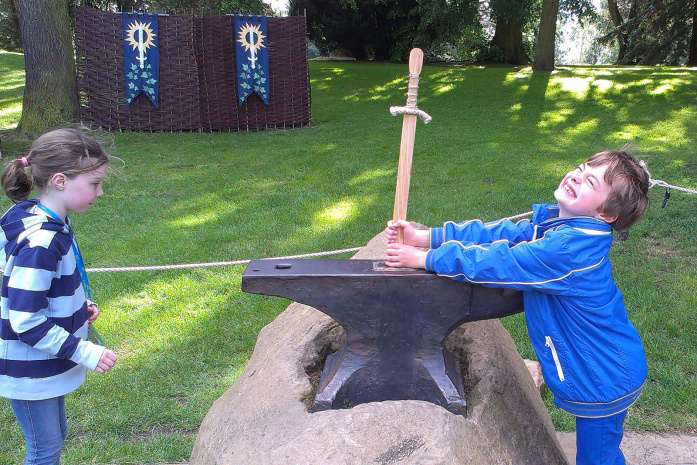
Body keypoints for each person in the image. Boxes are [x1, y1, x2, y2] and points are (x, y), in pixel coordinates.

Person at [385, 150, 650, 465]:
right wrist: (428, 237)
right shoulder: (561, 227)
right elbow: (501, 234)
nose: (577, 176)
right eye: (581, 168)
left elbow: (499, 262)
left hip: (605, 374)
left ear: (605, 214)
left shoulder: (565, 249)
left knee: (598, 458)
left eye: (590, 181)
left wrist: (424, 259)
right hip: (606, 366)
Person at [0, 128, 117, 465]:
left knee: (53, 440)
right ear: (60, 181)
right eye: (94, 184)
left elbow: (36, 289)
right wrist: (83, 352)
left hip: (40, 363)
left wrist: (78, 309)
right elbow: (26, 320)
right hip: (27, 367)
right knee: (44, 449)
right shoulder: (41, 241)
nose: (100, 192)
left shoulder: (41, 218)